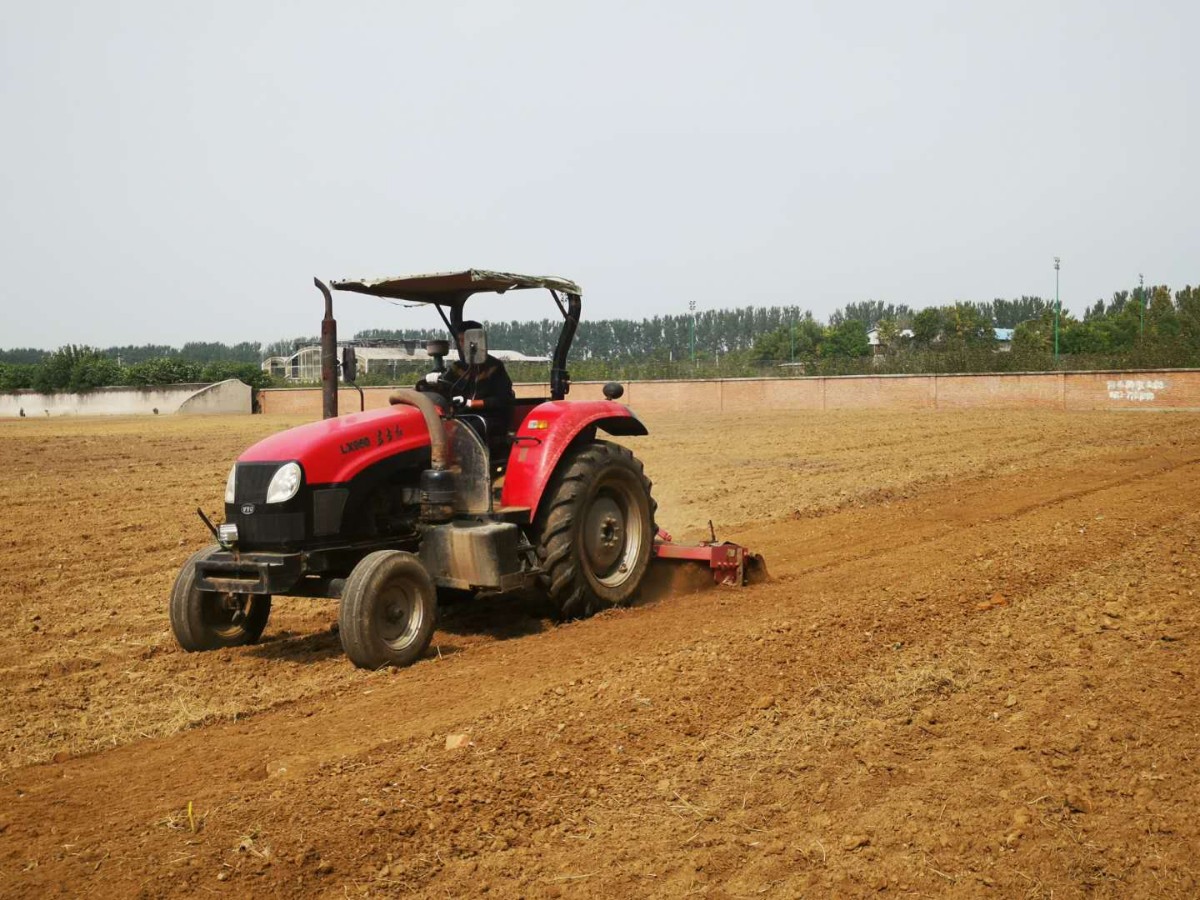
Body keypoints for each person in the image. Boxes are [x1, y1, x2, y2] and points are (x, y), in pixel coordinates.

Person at [417, 320, 515, 453]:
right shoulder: (457, 367)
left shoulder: (494, 367)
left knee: (462, 430)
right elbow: (445, 388)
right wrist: (431, 381)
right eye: (460, 341)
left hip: (489, 417)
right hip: (463, 416)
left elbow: (502, 400)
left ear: (479, 341)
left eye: (465, 341)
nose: (462, 345)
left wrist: (470, 403)